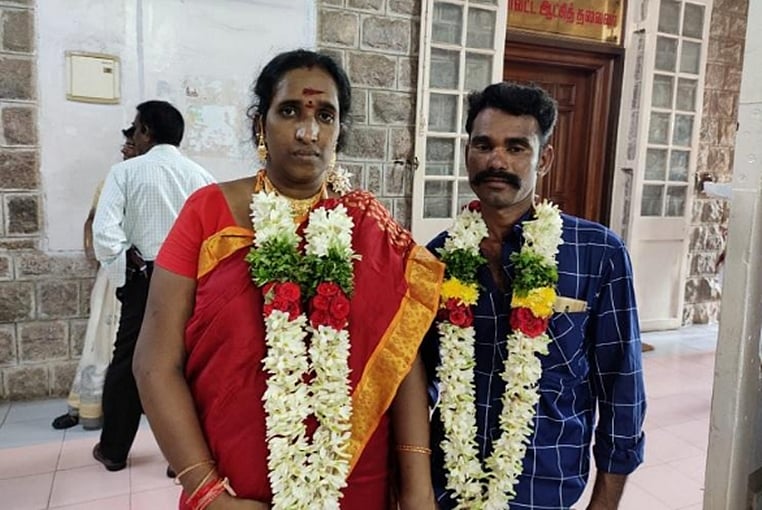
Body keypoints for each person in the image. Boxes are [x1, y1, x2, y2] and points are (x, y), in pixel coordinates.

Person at [133, 49, 442, 510]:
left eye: (325, 115)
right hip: (237, 491)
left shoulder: (370, 227)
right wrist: (208, 493)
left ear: (339, 131)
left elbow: (402, 358)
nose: (307, 131)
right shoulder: (207, 214)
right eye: (290, 111)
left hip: (357, 482)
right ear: (261, 123)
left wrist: (418, 491)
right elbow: (154, 364)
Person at [422, 82, 646, 509]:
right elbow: (419, 385)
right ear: (467, 153)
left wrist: (604, 504)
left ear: (544, 159)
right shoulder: (436, 259)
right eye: (483, 145)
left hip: (549, 488)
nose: (497, 161)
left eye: (516, 147)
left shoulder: (597, 253)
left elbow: (622, 388)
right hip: (449, 488)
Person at [91, 101, 215, 472]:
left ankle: (113, 450)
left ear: (146, 130)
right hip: (191, 281)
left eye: (135, 128)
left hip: (145, 277)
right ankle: (181, 460)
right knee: (187, 364)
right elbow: (214, 236)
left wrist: (126, 262)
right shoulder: (201, 177)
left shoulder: (125, 172)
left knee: (130, 363)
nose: (134, 135)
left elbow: (104, 230)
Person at [52, 127, 137, 431]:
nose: (125, 149)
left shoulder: (152, 180)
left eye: (131, 143)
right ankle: (88, 404)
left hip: (145, 274)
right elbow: (93, 221)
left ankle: (130, 408)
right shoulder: (113, 180)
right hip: (115, 272)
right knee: (100, 341)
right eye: (125, 144)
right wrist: (99, 254)